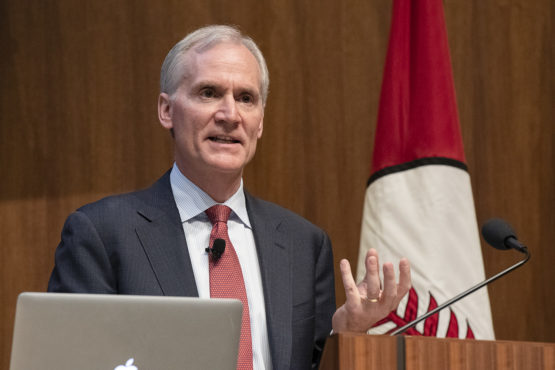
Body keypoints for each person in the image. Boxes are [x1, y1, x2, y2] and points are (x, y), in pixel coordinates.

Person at [48, 25, 411, 369]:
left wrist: (346, 334)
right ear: (166, 110)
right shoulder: (102, 234)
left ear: (261, 121)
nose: (230, 115)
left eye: (246, 98)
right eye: (209, 93)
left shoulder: (304, 244)